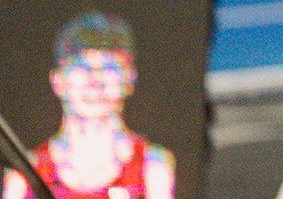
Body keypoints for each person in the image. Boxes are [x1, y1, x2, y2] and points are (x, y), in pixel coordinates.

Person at [2, 12, 175, 199]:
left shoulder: (152, 167)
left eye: (109, 68)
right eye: (82, 68)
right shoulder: (25, 175)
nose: (95, 82)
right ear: (58, 80)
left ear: (129, 78)